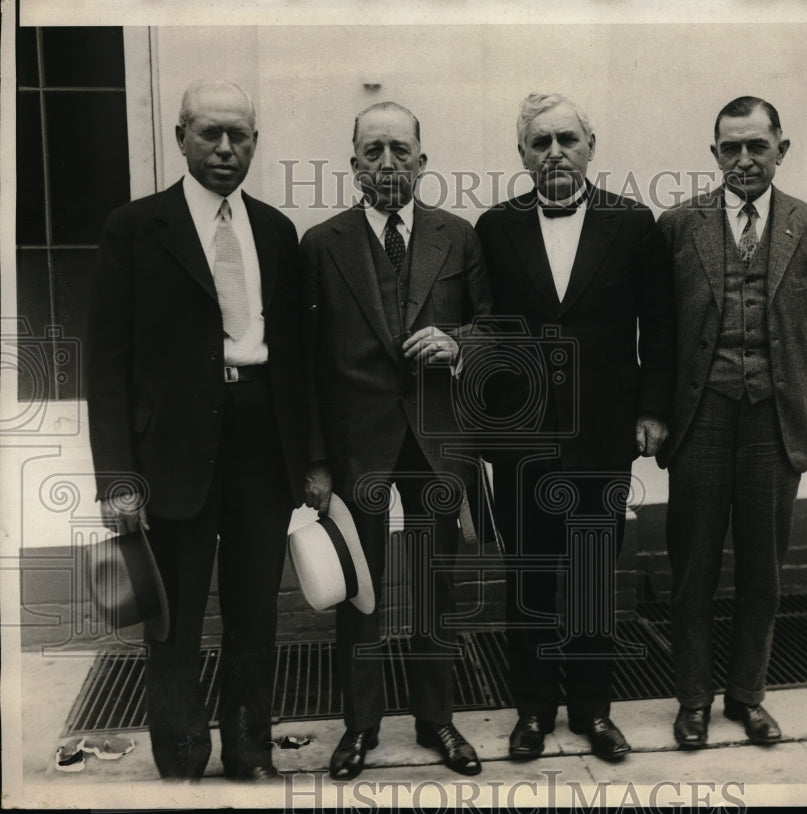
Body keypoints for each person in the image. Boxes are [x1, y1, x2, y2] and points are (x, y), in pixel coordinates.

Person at [86, 80, 306, 781]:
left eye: (239, 135)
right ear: (181, 136)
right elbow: (107, 364)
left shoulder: (275, 230)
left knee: (253, 614)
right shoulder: (135, 228)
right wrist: (118, 479)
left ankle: (250, 752)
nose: (224, 148)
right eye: (210, 134)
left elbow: (297, 358)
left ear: (254, 144)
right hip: (172, 450)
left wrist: (308, 461)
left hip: (259, 444)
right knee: (172, 619)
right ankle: (180, 755)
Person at [474, 93, 672, 762]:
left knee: (592, 576)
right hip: (521, 438)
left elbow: (660, 329)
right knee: (528, 578)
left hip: (601, 433)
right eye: (539, 142)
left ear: (591, 145)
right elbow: (482, 334)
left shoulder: (633, 224)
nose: (553, 151)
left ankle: (592, 712)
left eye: (566, 138)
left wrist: (650, 411)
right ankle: (532, 711)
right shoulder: (495, 228)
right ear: (522, 154)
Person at [300, 101, 492, 779]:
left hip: (439, 439)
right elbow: (307, 362)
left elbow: (496, 325)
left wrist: (458, 341)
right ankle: (360, 728)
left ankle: (437, 720)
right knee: (361, 589)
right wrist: (318, 460)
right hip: (359, 445)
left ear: (422, 161)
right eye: (373, 151)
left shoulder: (458, 238)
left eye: (400, 151)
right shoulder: (321, 244)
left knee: (438, 585)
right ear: (353, 165)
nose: (387, 163)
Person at [656, 96, 807, 749]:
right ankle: (693, 701)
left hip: (775, 419)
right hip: (700, 418)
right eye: (729, 147)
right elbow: (661, 328)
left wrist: (778, 378)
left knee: (762, 570)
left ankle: (748, 697)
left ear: (780, 150)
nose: (742, 160)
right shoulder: (679, 225)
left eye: (755, 146)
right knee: (694, 570)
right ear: (714, 154)